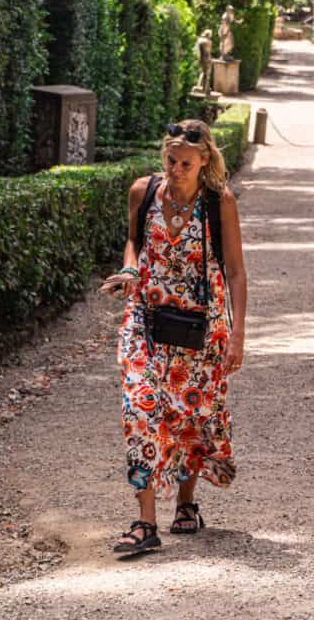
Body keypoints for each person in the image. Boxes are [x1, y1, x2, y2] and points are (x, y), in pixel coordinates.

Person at [100, 119, 247, 556]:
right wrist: (129, 269)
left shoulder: (219, 202)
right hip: (144, 318)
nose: (177, 168)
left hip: (201, 326)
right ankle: (145, 522)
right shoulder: (143, 192)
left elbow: (237, 272)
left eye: (186, 162)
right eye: (171, 160)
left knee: (191, 414)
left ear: (205, 161)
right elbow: (133, 241)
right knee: (141, 407)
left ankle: (186, 503)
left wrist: (238, 335)